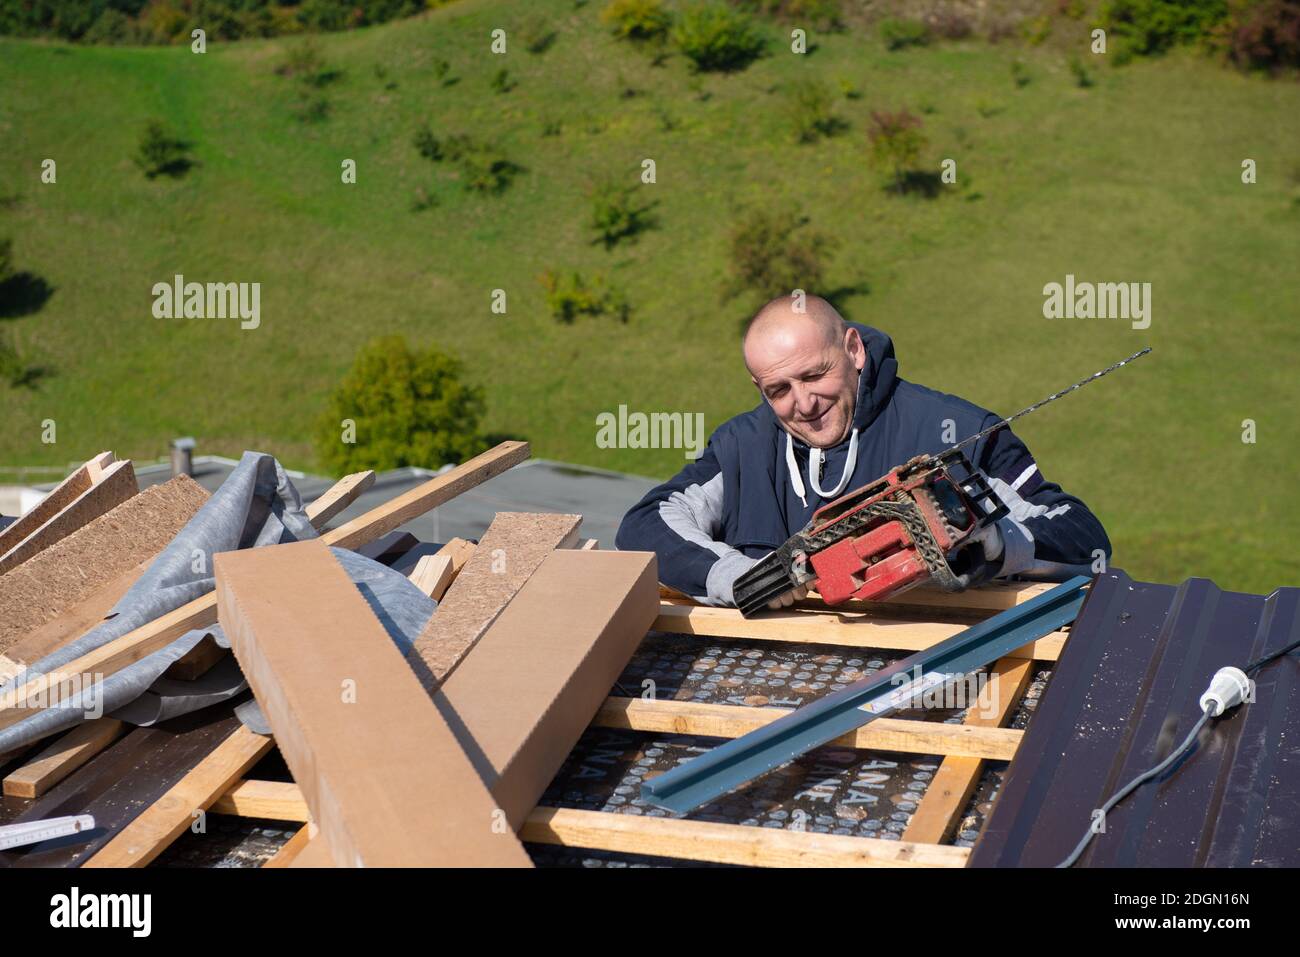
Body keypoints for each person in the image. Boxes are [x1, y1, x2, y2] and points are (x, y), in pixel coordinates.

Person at [616, 294, 1111, 608]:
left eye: (814, 375)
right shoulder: (742, 446)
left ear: (853, 350)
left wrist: (996, 542)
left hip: (942, 678)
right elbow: (644, 526)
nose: (803, 403)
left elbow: (1085, 538)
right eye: (778, 389)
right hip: (785, 689)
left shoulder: (960, 431)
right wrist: (743, 577)